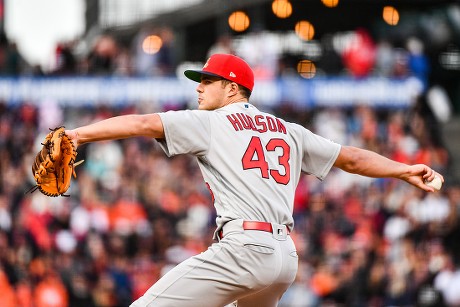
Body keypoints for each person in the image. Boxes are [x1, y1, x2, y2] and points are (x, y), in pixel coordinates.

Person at [64, 53, 444, 307]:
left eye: (207, 81)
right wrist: (403, 169)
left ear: (232, 87)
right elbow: (353, 158)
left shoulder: (211, 121)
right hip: (284, 257)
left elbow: (144, 123)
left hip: (245, 248)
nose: (198, 87)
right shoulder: (288, 129)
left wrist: (77, 135)